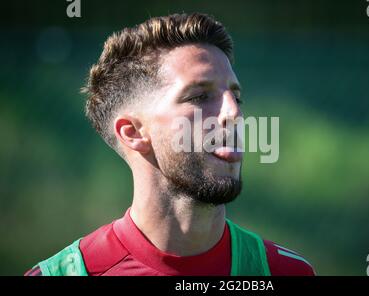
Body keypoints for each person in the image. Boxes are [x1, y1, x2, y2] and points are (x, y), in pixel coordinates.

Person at [25, 13, 314, 276]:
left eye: (236, 97)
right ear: (133, 133)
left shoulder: (285, 271)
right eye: (199, 97)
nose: (234, 113)